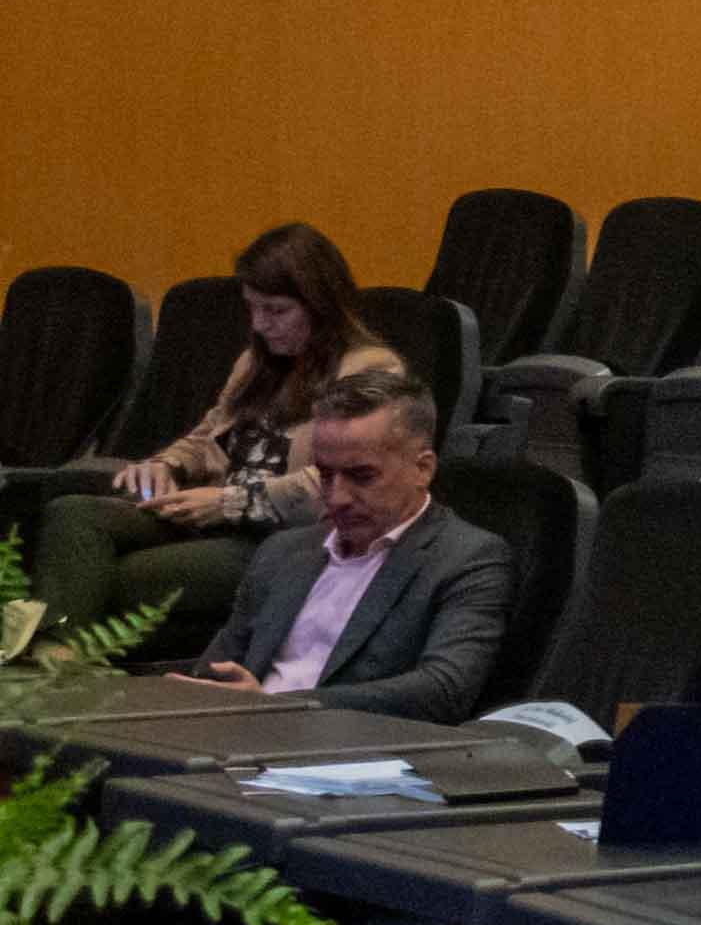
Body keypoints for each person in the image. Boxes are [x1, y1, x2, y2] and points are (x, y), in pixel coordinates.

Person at [39, 221, 395, 638]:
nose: (261, 324)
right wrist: (165, 466)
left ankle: (53, 676)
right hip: (213, 517)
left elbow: (342, 483)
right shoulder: (255, 363)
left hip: (282, 542)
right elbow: (206, 436)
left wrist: (230, 502)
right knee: (72, 515)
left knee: (121, 577)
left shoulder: (371, 371)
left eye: (277, 310)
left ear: (321, 304)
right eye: (254, 309)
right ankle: (51, 668)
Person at [176, 369, 513, 720]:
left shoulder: (467, 559)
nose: (336, 498)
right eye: (324, 475)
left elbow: (444, 689)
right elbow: (216, 669)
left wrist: (278, 708)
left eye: (361, 476)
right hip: (233, 738)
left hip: (346, 751)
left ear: (423, 469)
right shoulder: (283, 552)